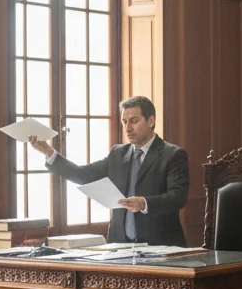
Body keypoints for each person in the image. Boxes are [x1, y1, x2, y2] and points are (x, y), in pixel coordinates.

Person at [28, 96, 189, 246]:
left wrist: (144, 203)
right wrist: (49, 152)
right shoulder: (118, 153)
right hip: (120, 247)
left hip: (162, 247)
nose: (128, 128)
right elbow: (82, 175)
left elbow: (177, 197)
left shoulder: (173, 154)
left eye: (134, 121)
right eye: (124, 121)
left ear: (151, 121)